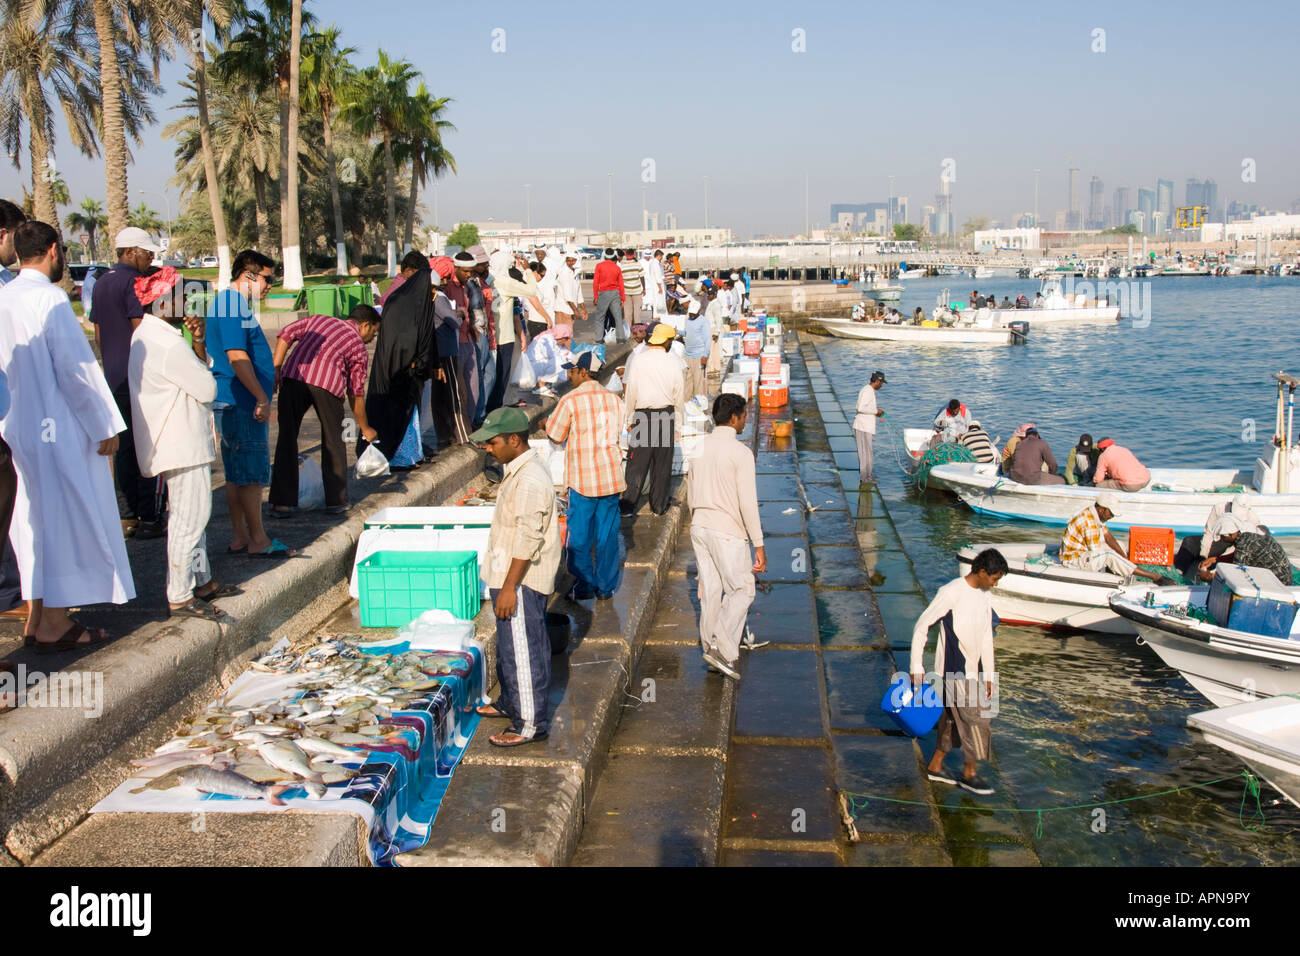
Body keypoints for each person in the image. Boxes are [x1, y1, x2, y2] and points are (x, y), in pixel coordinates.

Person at [0, 220, 134, 649]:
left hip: (17, 425)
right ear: (56, 251)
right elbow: (74, 370)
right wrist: (104, 425)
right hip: (55, 424)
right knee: (60, 517)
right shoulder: (49, 299)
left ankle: (37, 615)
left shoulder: (5, 297)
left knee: (29, 517)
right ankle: (55, 620)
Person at [128, 267, 232, 620]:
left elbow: (197, 374)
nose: (185, 302)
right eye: (178, 296)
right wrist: (197, 355)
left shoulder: (151, 335)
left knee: (193, 518)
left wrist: (198, 342)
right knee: (190, 518)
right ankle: (180, 592)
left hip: (175, 439)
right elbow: (208, 388)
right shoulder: (168, 344)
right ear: (161, 302)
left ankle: (201, 582)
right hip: (181, 441)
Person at [471, 407, 561, 747]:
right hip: (508, 577)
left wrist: (510, 586)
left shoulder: (530, 480)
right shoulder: (517, 470)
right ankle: (511, 701)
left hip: (520, 581)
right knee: (510, 645)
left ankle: (529, 725)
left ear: (514, 440)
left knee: (525, 651)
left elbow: (528, 537)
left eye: (492, 443)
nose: (488, 449)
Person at [206, 249, 296, 558]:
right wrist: (260, 396)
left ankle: (241, 537)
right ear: (248, 275)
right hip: (242, 402)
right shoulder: (232, 306)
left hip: (232, 398)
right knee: (251, 475)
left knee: (235, 474)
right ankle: (258, 539)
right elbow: (236, 356)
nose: (271, 286)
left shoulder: (230, 304)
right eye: (268, 279)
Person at [910, 547, 1007, 796]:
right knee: (977, 722)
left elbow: (987, 636)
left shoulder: (984, 596)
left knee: (952, 721)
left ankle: (935, 765)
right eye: (994, 579)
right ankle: (969, 773)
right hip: (954, 669)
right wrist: (916, 667)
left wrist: (989, 675)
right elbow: (922, 626)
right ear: (982, 572)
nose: (994, 584)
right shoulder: (951, 593)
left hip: (974, 671)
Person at [92, 226, 167, 539]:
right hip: (138, 376)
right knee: (147, 447)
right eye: (147, 253)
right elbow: (142, 329)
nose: (150, 260)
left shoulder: (99, 283)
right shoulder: (133, 283)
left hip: (113, 376)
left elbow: (98, 334)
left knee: (122, 451)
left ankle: (127, 516)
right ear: (131, 251)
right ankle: (150, 517)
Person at [271, 306, 379, 516]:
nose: (371, 338)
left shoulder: (319, 319)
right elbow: (355, 392)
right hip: (327, 385)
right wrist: (365, 427)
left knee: (287, 438)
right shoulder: (357, 345)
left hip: (293, 377)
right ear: (364, 325)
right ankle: (336, 500)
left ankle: (282, 503)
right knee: (333, 440)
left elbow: (286, 334)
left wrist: (277, 367)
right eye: (373, 333)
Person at [687, 393, 766, 680]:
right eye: (744, 415)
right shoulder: (741, 454)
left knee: (710, 591)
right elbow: (747, 502)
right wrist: (758, 543)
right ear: (733, 418)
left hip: (699, 525)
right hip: (727, 531)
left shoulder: (697, 447)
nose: (746, 420)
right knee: (743, 590)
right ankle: (721, 646)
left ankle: (711, 649)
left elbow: (690, 490)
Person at [546, 351, 625, 601]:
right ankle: (605, 587)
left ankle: (584, 585)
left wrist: (544, 425)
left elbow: (555, 435)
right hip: (611, 477)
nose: (569, 376)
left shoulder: (570, 400)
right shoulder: (614, 400)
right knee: (607, 536)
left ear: (583, 372)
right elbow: (621, 432)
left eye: (572, 371)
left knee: (579, 537)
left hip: (582, 480)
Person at [368, 256, 437, 457]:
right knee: (397, 413)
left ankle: (411, 454)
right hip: (398, 367)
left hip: (412, 370)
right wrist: (412, 359)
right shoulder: (399, 302)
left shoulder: (420, 304)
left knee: (411, 413)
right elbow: (400, 338)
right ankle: (400, 456)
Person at [621, 323, 684, 518]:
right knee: (662, 464)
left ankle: (628, 506)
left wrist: (629, 417)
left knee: (637, 463)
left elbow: (630, 392)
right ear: (667, 341)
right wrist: (679, 425)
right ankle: (658, 506)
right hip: (666, 415)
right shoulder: (674, 362)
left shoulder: (639, 360)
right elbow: (678, 396)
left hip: (642, 415)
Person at [428, 256, 474, 448]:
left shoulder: (429, 299)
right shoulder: (439, 299)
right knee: (457, 394)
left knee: (439, 396)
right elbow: (453, 321)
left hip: (437, 352)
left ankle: (443, 436)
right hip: (447, 351)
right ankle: (463, 435)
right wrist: (461, 314)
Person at [1060, 494, 1161, 581]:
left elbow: (1108, 537)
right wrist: (1122, 561)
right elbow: (1096, 550)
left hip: (1084, 553)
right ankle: (1154, 577)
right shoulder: (1089, 522)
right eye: (1111, 513)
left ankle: (1124, 569)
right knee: (1110, 554)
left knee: (1120, 545)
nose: (1112, 516)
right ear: (1102, 509)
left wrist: (1124, 559)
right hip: (1074, 560)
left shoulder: (1094, 514)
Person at [1195, 514, 1295, 586]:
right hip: (1284, 577)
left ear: (1231, 534)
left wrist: (1210, 577)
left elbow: (1237, 575)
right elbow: (1238, 556)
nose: (1222, 540)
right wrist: (1216, 559)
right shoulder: (1247, 537)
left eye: (1223, 537)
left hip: (1280, 584)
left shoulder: (1243, 544)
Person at [467, 245, 497, 429]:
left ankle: (480, 412)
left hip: (484, 333)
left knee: (490, 375)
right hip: (475, 334)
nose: (486, 266)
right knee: (479, 376)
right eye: (483, 263)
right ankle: (476, 417)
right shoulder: (468, 284)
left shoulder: (480, 282)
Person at [852, 370, 886, 482]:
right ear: (877, 381)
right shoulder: (868, 391)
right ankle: (865, 477)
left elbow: (865, 408)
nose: (881, 386)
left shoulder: (868, 390)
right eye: (881, 383)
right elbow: (860, 408)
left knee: (867, 451)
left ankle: (867, 475)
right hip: (863, 426)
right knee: (865, 452)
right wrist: (876, 411)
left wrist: (875, 412)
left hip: (864, 426)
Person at [525, 324, 573, 397]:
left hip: (540, 365)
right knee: (558, 362)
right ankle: (539, 387)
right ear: (561, 337)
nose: (566, 341)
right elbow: (550, 355)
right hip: (531, 366)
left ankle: (547, 385)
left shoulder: (556, 341)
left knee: (563, 362)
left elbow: (567, 354)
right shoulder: (546, 338)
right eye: (566, 339)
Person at [591, 248, 626, 342]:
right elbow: (621, 284)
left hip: (603, 293)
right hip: (615, 293)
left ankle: (599, 339)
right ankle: (621, 338)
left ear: (605, 255)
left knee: (600, 317)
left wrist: (595, 296)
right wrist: (623, 298)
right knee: (618, 317)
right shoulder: (617, 267)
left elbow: (595, 282)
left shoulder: (599, 266)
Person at [681, 303, 712, 399]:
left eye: (693, 313)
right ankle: (687, 404)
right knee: (687, 382)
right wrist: (677, 331)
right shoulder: (688, 320)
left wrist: (705, 356)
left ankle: (699, 406)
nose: (691, 315)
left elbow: (707, 340)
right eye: (690, 313)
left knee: (698, 382)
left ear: (699, 311)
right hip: (687, 355)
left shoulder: (704, 322)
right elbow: (687, 333)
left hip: (699, 356)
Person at [555, 249, 586, 326]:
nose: (571, 263)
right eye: (568, 261)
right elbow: (567, 296)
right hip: (563, 309)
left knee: (568, 334)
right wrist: (575, 310)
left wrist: (583, 309)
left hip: (570, 309)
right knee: (563, 335)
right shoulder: (564, 273)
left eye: (573, 261)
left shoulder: (575, 274)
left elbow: (579, 293)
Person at [619, 249, 644, 328]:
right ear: (633, 255)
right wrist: (644, 289)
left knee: (627, 313)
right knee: (637, 312)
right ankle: (637, 330)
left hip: (626, 292)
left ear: (626, 255)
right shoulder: (638, 264)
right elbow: (642, 277)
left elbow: (620, 280)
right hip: (637, 291)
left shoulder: (622, 266)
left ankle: (628, 331)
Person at [644, 249, 668, 319]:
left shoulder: (653, 262)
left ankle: (657, 315)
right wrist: (659, 287)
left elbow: (660, 275)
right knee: (658, 301)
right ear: (658, 256)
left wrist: (666, 279)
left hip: (655, 284)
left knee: (657, 301)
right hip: (657, 285)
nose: (661, 258)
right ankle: (658, 315)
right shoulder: (655, 263)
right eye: (661, 257)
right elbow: (657, 276)